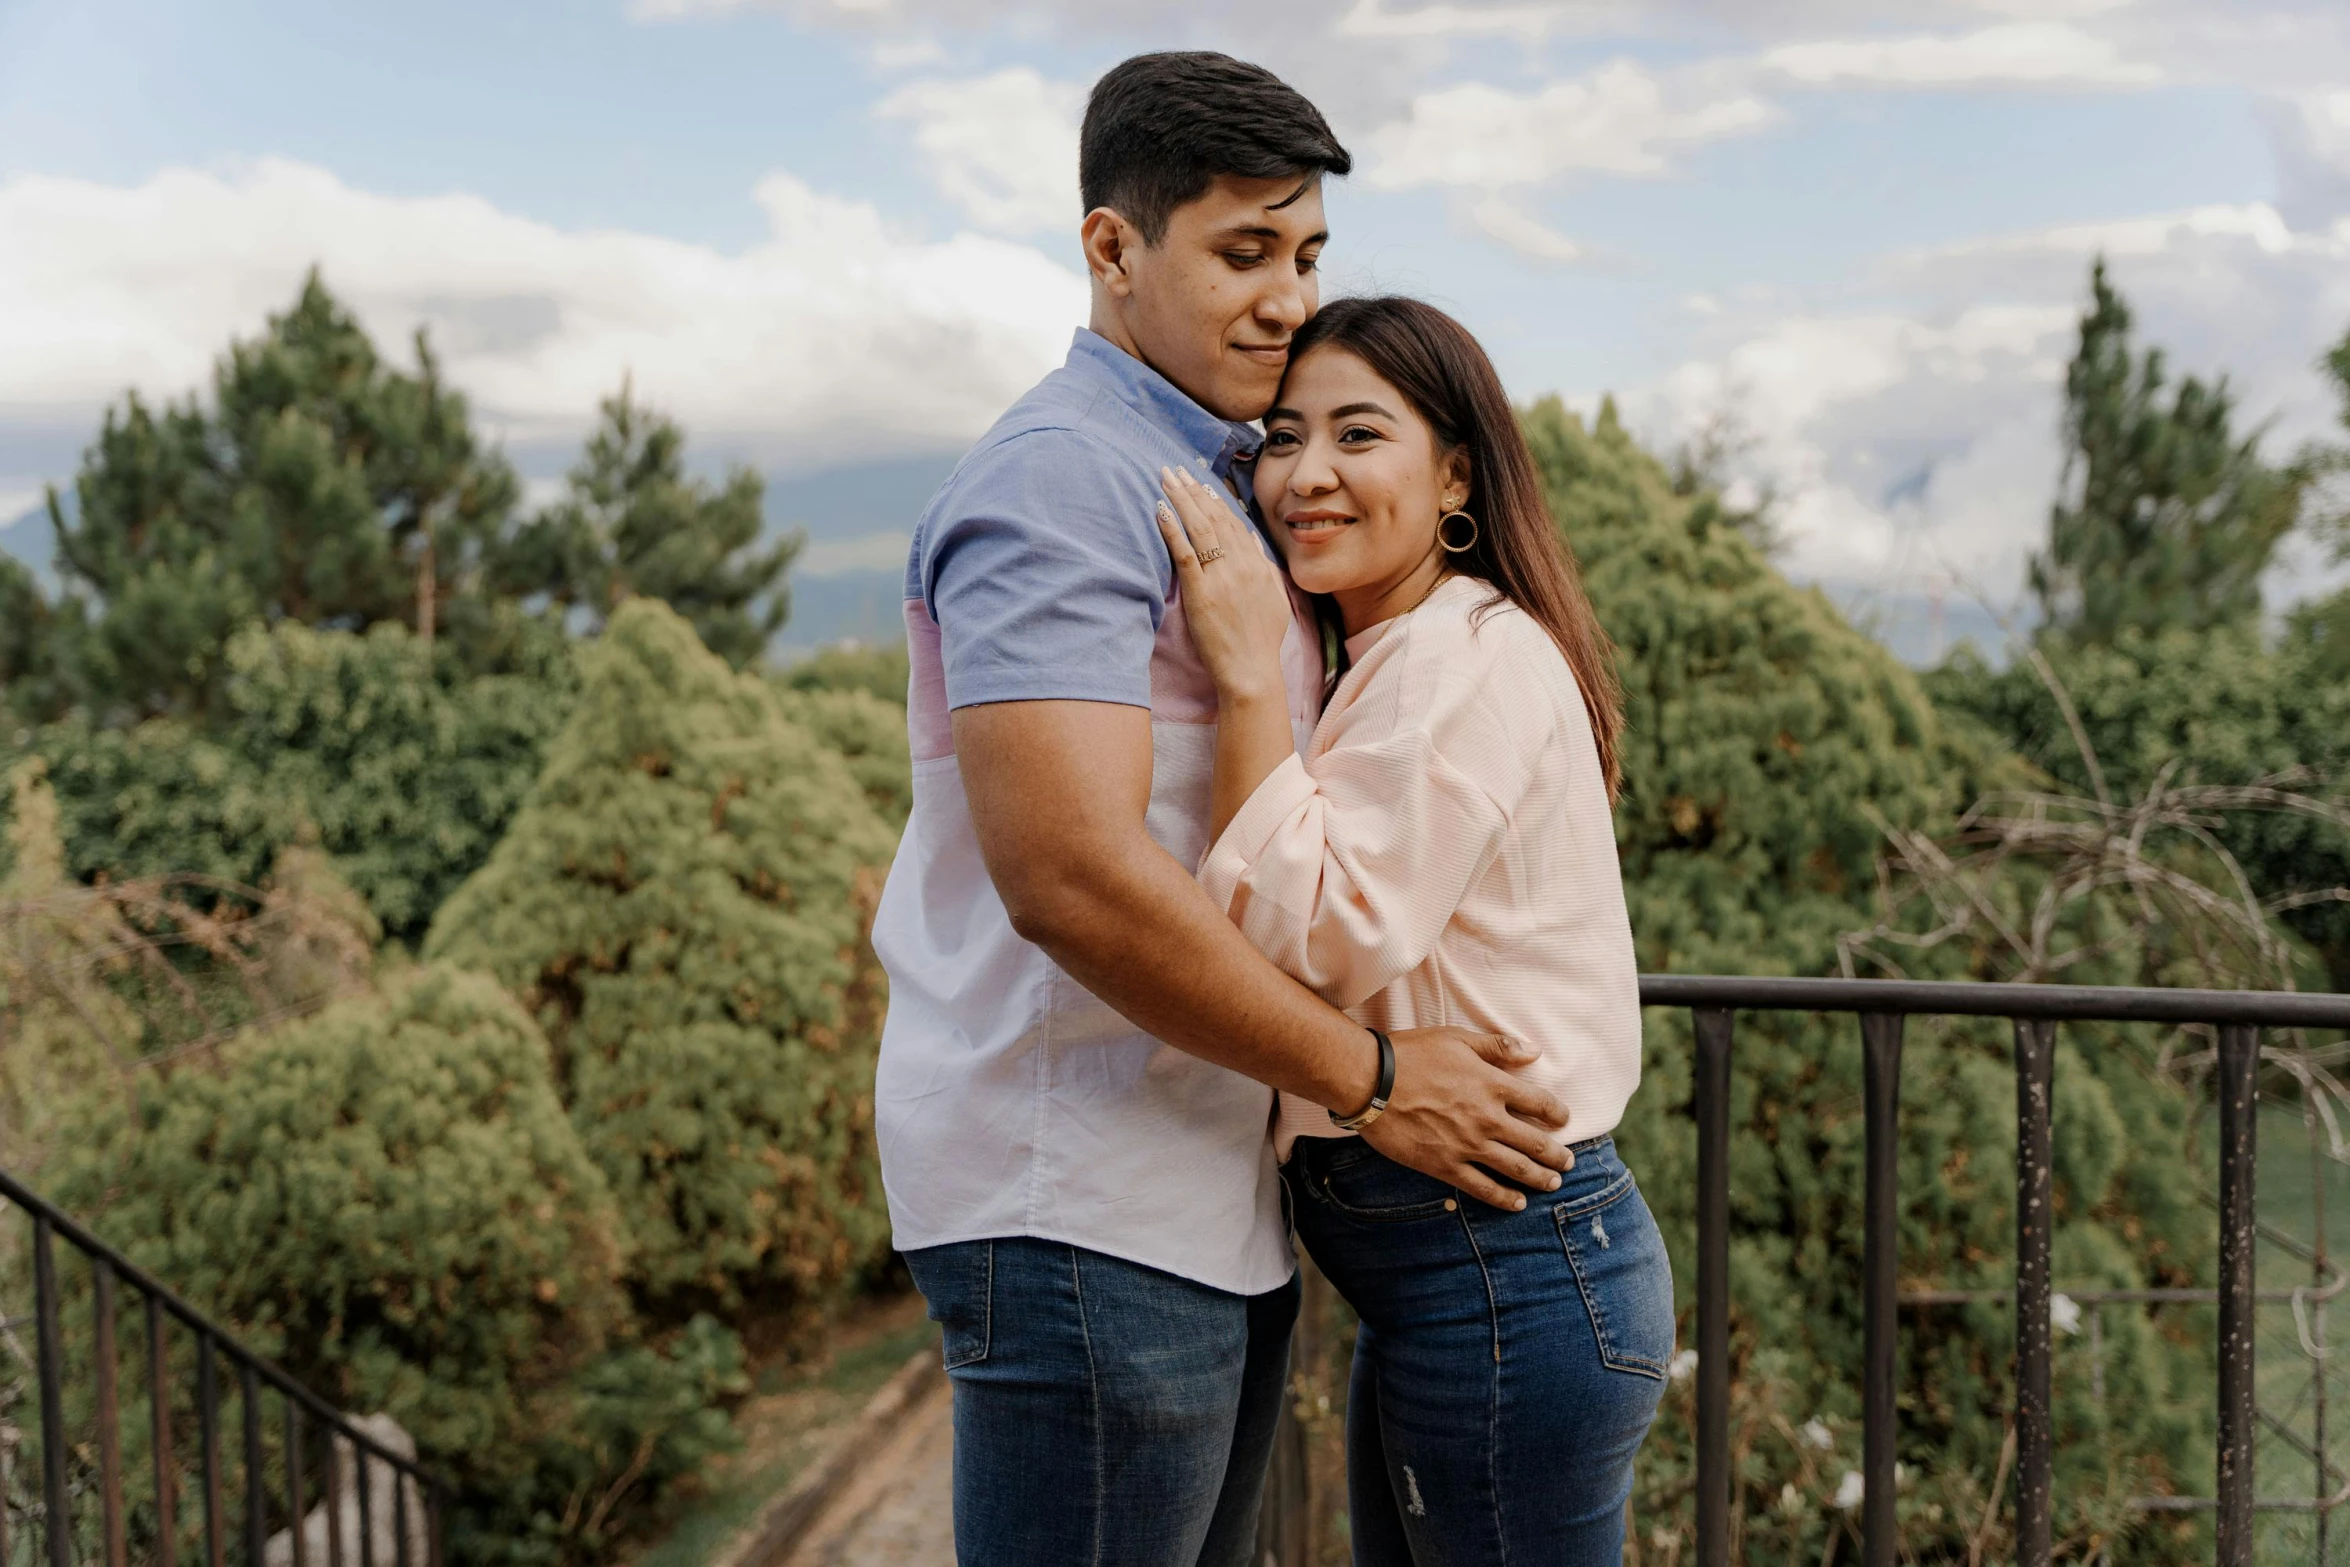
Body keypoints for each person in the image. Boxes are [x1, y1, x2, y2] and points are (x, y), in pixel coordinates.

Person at [870, 54, 1577, 1567]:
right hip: (1079, 1198)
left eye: (1306, 253)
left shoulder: (1219, 477)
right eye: (1242, 251)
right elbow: (1067, 873)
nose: (1284, 296)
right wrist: (1378, 1077)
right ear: (1111, 249)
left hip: (1188, 1197)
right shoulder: (1067, 476)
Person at [1154, 295, 1673, 1566]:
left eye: (1356, 435)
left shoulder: (1460, 656)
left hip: (1500, 1269)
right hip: (1467, 1276)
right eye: (1281, 438)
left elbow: (1319, 936)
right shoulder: (1402, 654)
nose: (1306, 473)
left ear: (1453, 472)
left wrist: (1240, 671)